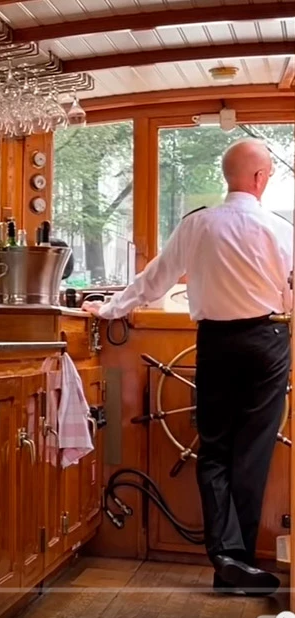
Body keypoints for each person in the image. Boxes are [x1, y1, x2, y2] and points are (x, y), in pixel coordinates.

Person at [83, 138, 292, 596]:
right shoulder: (281, 229)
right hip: (268, 341)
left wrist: (110, 309)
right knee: (253, 452)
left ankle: (225, 559)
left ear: (227, 176)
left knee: (214, 450)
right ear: (260, 178)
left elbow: (155, 279)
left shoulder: (197, 224)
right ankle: (239, 562)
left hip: (216, 342)